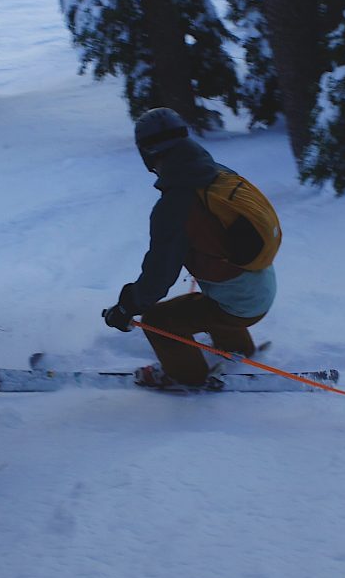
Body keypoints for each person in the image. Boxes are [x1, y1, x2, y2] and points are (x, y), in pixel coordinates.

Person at [102, 108, 277, 388]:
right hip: (261, 284)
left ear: (148, 153)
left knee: (159, 320)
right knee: (204, 305)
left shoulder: (175, 206)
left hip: (240, 302)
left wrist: (127, 306)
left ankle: (185, 376)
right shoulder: (214, 173)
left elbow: (157, 280)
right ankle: (238, 349)